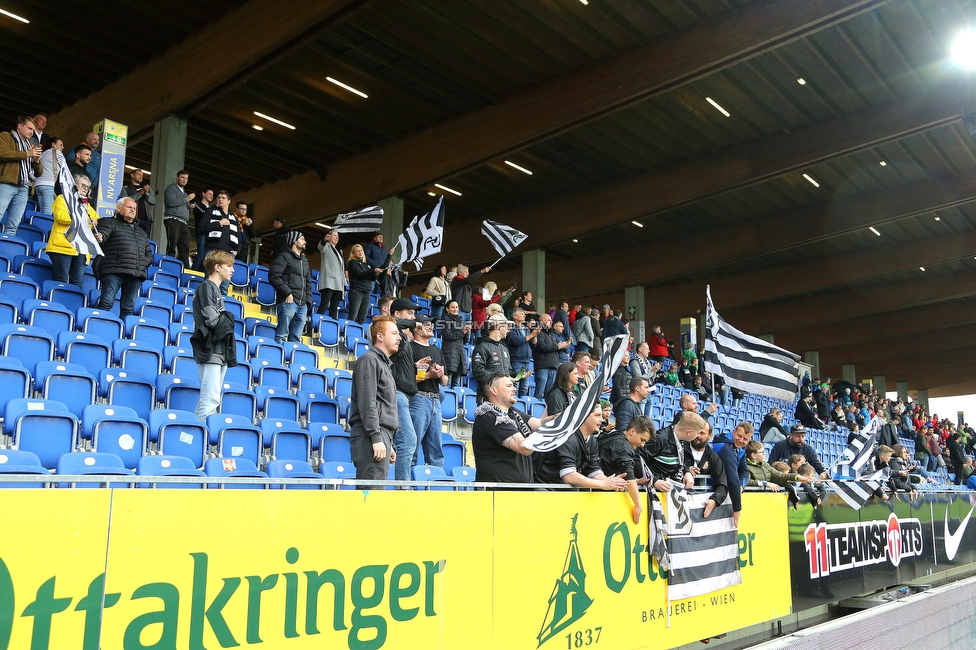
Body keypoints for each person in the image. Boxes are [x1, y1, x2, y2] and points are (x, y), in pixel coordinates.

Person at [472, 373, 556, 483]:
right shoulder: (490, 416)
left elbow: (540, 423)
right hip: (498, 495)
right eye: (508, 386)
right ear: (494, 390)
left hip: (518, 493)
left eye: (513, 385)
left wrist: (566, 416)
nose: (514, 389)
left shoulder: (513, 412)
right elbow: (524, 448)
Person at [348, 315, 400, 480]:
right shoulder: (369, 360)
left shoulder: (382, 363)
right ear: (380, 336)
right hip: (369, 437)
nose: (399, 338)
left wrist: (387, 443)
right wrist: (376, 437)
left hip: (380, 436)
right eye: (394, 333)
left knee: (375, 494)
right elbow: (367, 403)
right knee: (370, 495)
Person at [535, 402, 630, 491]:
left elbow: (594, 470)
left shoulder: (592, 440)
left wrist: (611, 482)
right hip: (546, 491)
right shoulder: (568, 438)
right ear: (584, 416)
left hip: (565, 494)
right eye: (597, 415)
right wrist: (602, 484)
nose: (602, 419)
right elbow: (569, 476)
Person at [190, 250, 237, 422]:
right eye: (229, 266)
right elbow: (213, 321)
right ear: (217, 267)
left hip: (220, 350)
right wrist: (228, 318)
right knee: (209, 400)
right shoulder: (206, 287)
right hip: (210, 350)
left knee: (213, 399)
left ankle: (200, 436)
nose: (232, 270)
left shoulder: (215, 290)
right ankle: (199, 439)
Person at [95, 197, 153, 320]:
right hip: (114, 270)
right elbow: (102, 235)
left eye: (134, 208)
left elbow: (149, 254)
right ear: (119, 208)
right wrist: (100, 237)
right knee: (106, 302)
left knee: (128, 308)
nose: (133, 210)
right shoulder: (108, 222)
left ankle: (123, 336)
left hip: (135, 274)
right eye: (129, 207)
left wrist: (142, 264)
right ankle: (97, 327)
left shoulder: (141, 231)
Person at [389, 298, 426, 482]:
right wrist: (414, 323)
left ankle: (401, 486)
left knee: (407, 443)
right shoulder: (393, 333)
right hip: (398, 394)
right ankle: (402, 488)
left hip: (407, 396)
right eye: (409, 313)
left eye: (413, 314)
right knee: (408, 442)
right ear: (397, 314)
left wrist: (415, 366)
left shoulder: (403, 339)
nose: (413, 317)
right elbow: (392, 323)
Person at [47, 173, 101, 288]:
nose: (86, 188)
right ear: (74, 185)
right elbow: (61, 217)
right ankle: (56, 304)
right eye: (83, 185)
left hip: (81, 249)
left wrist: (96, 225)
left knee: (77, 283)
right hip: (63, 246)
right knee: (61, 279)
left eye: (88, 187)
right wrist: (86, 221)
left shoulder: (87, 206)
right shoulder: (62, 199)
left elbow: (97, 221)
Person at [599, 415, 654, 523]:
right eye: (642, 440)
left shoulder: (617, 435)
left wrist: (635, 481)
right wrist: (638, 504)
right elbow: (628, 473)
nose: (642, 445)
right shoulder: (623, 446)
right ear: (632, 431)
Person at [409, 315, 447, 469]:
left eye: (431, 324)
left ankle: (437, 485)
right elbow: (406, 380)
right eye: (426, 324)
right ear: (417, 328)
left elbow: (445, 381)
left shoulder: (437, 350)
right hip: (418, 399)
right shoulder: (409, 348)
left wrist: (440, 374)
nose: (431, 327)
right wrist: (429, 374)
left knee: (436, 450)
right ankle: (405, 487)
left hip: (435, 400)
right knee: (412, 446)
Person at [640, 411, 704, 494]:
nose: (698, 436)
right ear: (689, 432)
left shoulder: (680, 438)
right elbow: (638, 459)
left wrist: (686, 471)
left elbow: (677, 461)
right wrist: (654, 480)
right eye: (697, 433)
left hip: (670, 489)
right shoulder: (660, 438)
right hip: (655, 491)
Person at [0, 116, 43, 235]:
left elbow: (39, 173)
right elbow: (2, 152)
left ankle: (5, 250)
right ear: (20, 126)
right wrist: (26, 154)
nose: (31, 132)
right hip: (7, 183)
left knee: (14, 225)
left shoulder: (30, 144)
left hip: (25, 187)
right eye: (29, 128)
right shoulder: (6, 136)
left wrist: (36, 161)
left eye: (33, 130)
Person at [268, 231, 313, 343]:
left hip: (302, 304)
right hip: (288, 301)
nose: (305, 242)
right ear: (294, 241)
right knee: (281, 336)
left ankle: (292, 360)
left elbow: (308, 282)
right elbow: (273, 276)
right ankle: (279, 358)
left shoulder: (305, 260)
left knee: (296, 340)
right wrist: (287, 293)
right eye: (302, 239)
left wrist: (308, 302)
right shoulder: (284, 257)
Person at [712, 422, 752, 526]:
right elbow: (733, 478)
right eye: (739, 436)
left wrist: (741, 486)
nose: (741, 441)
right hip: (710, 489)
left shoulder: (740, 449)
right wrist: (737, 509)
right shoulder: (725, 447)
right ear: (733, 432)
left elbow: (744, 471)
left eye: (745, 439)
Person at [687, 422, 730, 519]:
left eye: (702, 433)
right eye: (696, 432)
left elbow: (722, 482)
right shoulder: (681, 448)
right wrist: (685, 469)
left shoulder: (713, 457)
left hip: (698, 504)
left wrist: (715, 500)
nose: (697, 436)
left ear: (710, 436)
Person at [201, 190, 240, 295]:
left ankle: (221, 308)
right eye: (218, 198)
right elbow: (201, 228)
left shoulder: (234, 218)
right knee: (210, 280)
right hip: (212, 250)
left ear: (229, 201)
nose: (220, 199)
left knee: (224, 286)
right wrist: (219, 223)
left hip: (228, 253)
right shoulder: (210, 211)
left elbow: (239, 237)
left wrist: (236, 250)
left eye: (223, 198)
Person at [472, 314, 513, 400]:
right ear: (498, 326)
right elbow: (478, 371)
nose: (508, 330)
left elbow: (508, 371)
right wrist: (499, 378)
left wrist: (517, 375)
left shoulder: (504, 348)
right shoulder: (482, 347)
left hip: (504, 396)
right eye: (506, 326)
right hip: (488, 396)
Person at [163, 170, 195, 266]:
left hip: (184, 222)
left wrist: (190, 208)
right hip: (173, 219)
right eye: (182, 177)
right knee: (172, 246)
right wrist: (186, 199)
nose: (184, 180)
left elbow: (185, 209)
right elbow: (170, 202)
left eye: (186, 178)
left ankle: (184, 270)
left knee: (184, 248)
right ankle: (168, 267)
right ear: (177, 177)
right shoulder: (171, 188)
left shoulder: (185, 193)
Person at [439, 300, 470, 388]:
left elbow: (465, 340)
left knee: (456, 384)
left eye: (456, 307)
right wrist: (462, 332)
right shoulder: (445, 319)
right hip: (449, 352)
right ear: (447, 309)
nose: (455, 309)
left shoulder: (461, 320)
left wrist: (467, 331)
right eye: (452, 307)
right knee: (447, 383)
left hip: (459, 353)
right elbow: (447, 335)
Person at [346, 244, 378, 324]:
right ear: (353, 253)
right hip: (357, 291)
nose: (360, 252)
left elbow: (371, 278)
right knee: (353, 315)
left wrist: (375, 274)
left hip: (366, 292)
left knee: (362, 318)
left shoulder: (366, 264)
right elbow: (360, 274)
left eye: (361, 250)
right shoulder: (352, 263)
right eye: (358, 251)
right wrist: (373, 271)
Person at [316, 227, 344, 319]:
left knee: (334, 308)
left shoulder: (339, 251)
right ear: (329, 236)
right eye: (335, 235)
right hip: (329, 282)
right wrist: (324, 240)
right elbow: (321, 246)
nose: (337, 237)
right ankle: (316, 326)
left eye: (338, 236)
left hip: (338, 284)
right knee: (324, 305)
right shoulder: (326, 246)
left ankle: (332, 326)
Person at [506, 308, 536, 397]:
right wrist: (531, 335)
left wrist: (535, 335)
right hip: (517, 361)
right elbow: (516, 341)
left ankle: (522, 405)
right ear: (515, 316)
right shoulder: (512, 328)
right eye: (522, 314)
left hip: (526, 361)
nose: (524, 315)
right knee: (516, 383)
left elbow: (533, 345)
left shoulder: (525, 329)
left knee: (524, 387)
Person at [121, 169, 158, 239]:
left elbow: (154, 201)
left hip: (147, 220)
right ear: (132, 175)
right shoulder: (126, 188)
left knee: (145, 241)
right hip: (132, 219)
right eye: (138, 174)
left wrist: (146, 194)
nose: (141, 177)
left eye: (142, 175)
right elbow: (125, 201)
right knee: (131, 238)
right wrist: (140, 193)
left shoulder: (147, 188)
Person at [531, 313, 560, 400]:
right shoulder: (538, 332)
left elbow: (554, 347)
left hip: (553, 366)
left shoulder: (551, 334)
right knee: (539, 393)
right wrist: (557, 346)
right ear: (541, 322)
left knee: (549, 395)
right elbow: (541, 346)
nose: (551, 322)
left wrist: (561, 347)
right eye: (549, 320)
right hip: (542, 367)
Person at [33, 137, 64, 215]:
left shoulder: (42, 154)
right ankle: (45, 227)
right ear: (53, 144)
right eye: (61, 145)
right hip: (48, 184)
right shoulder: (57, 152)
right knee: (48, 210)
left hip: (37, 185)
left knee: (42, 210)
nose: (62, 147)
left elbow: (33, 169)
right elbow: (64, 167)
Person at [188, 187, 213, 270]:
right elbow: (204, 214)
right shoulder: (197, 204)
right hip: (201, 233)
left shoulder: (210, 209)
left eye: (212, 195)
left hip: (209, 234)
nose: (211, 196)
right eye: (209, 194)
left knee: (207, 257)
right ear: (203, 193)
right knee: (201, 254)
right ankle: (193, 273)